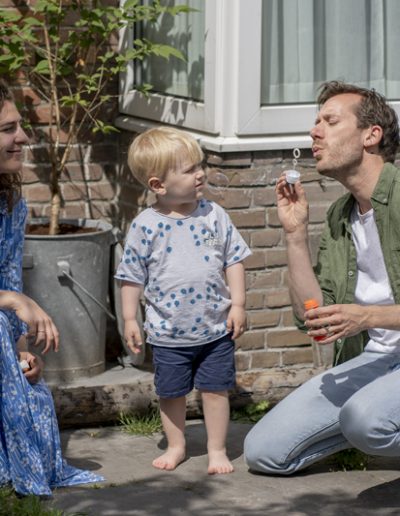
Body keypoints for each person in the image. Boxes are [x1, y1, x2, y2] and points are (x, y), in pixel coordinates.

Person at [244, 80, 400, 474]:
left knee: (367, 420)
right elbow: (312, 319)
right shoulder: (339, 216)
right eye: (315, 122)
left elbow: (360, 318)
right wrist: (295, 234)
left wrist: (368, 318)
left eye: (330, 121)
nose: (314, 131)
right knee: (264, 451)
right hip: (377, 357)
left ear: (371, 134)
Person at [115, 127, 251, 474]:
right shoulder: (146, 226)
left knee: (216, 390)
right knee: (171, 393)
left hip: (214, 328)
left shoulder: (214, 215)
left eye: (199, 165)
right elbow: (131, 275)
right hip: (168, 334)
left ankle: (217, 449)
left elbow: (233, 259)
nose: (200, 173)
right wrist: (130, 318)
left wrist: (238, 304)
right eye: (189, 170)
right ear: (158, 185)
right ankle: (176, 446)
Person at [0, 79, 104, 495]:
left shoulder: (11, 204)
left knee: (29, 386)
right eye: (8, 128)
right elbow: (9, 292)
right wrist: (10, 299)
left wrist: (22, 349)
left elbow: (8, 276)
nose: (23, 137)